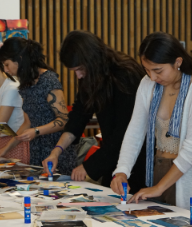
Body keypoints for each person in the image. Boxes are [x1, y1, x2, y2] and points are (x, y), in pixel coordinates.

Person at [111, 32, 192, 217]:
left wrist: (159, 188)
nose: (152, 77)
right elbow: (135, 131)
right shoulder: (148, 84)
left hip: (188, 177)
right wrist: (122, 170)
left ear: (178, 62)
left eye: (158, 70)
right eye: (147, 70)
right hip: (158, 170)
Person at [42, 30, 146, 190]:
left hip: (135, 158)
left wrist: (88, 167)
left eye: (79, 69)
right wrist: (56, 151)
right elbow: (78, 117)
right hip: (112, 157)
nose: (78, 76)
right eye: (74, 71)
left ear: (92, 60)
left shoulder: (125, 74)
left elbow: (125, 132)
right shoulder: (89, 76)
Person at [0, 37, 77, 175]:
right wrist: (5, 149)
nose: (6, 70)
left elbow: (64, 120)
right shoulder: (25, 84)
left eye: (7, 64)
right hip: (36, 151)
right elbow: (27, 123)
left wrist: (36, 131)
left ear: (20, 59)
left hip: (57, 151)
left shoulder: (49, 80)